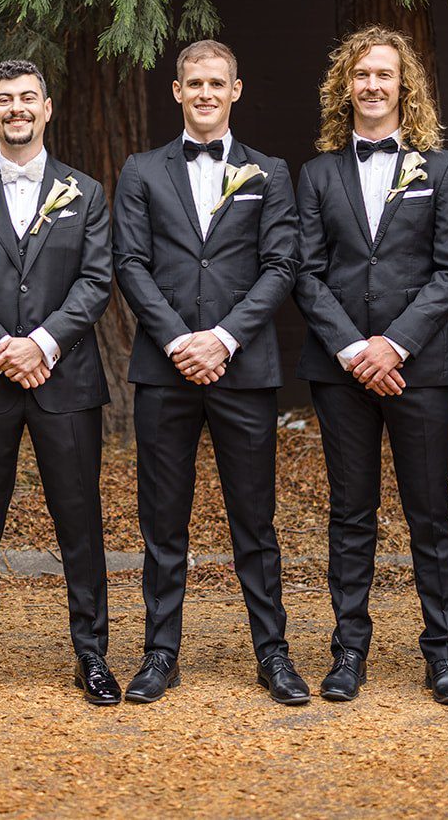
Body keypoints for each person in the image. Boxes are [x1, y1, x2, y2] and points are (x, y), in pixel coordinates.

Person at [112, 39, 308, 705]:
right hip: (164, 372)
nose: (204, 93)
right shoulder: (141, 170)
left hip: (243, 369)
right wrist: (178, 341)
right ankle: (160, 651)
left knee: (254, 519)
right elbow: (130, 264)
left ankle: (273, 652)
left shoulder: (271, 172)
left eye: (215, 83)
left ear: (236, 89)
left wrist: (222, 339)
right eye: (193, 82)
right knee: (163, 521)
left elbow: (280, 265)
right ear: (176, 91)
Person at [0, 59, 120, 705]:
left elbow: (96, 279)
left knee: (79, 518)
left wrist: (40, 344)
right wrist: (0, 348)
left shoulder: (86, 192)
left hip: (64, 380)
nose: (16, 108)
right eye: (4, 99)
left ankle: (91, 652)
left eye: (27, 97)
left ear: (47, 108)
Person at [294, 25, 448, 704]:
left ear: (406, 87)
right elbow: (306, 272)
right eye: (360, 74)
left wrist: (392, 344)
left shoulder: (444, 169)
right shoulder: (317, 174)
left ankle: (444, 654)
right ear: (345, 86)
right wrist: (353, 349)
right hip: (339, 371)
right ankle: (348, 651)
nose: (371, 84)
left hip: (419, 367)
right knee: (350, 511)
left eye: (384, 74)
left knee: (430, 513)